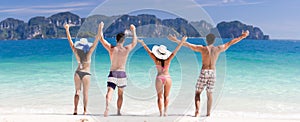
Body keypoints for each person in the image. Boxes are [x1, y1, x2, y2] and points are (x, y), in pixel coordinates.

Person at [168, 30, 249, 117]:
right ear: (214, 41)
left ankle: (197, 112)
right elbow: (230, 43)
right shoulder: (218, 49)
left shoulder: (202, 48)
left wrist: (176, 40)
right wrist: (242, 36)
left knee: (198, 93)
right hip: (213, 73)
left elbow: (189, 45)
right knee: (210, 94)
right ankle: (208, 113)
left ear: (206, 40)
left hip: (204, 72)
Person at [138, 36, 187, 116]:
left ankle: (160, 113)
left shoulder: (155, 59)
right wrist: (182, 41)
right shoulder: (168, 59)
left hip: (159, 78)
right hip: (167, 78)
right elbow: (176, 51)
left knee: (159, 97)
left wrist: (142, 43)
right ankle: (165, 112)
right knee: (166, 96)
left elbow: (148, 51)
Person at [98, 22, 138, 117]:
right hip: (122, 74)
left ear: (116, 39)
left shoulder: (112, 48)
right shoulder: (126, 49)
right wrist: (133, 31)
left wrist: (101, 28)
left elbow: (101, 39)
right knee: (120, 95)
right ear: (123, 40)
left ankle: (107, 107)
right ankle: (118, 111)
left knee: (109, 92)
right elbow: (134, 42)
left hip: (113, 73)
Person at [64, 23, 101, 115]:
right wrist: (100, 28)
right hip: (86, 73)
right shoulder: (89, 52)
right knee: (85, 93)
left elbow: (70, 41)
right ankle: (85, 111)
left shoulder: (76, 51)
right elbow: (97, 40)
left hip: (77, 72)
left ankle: (75, 110)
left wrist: (67, 29)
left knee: (77, 91)